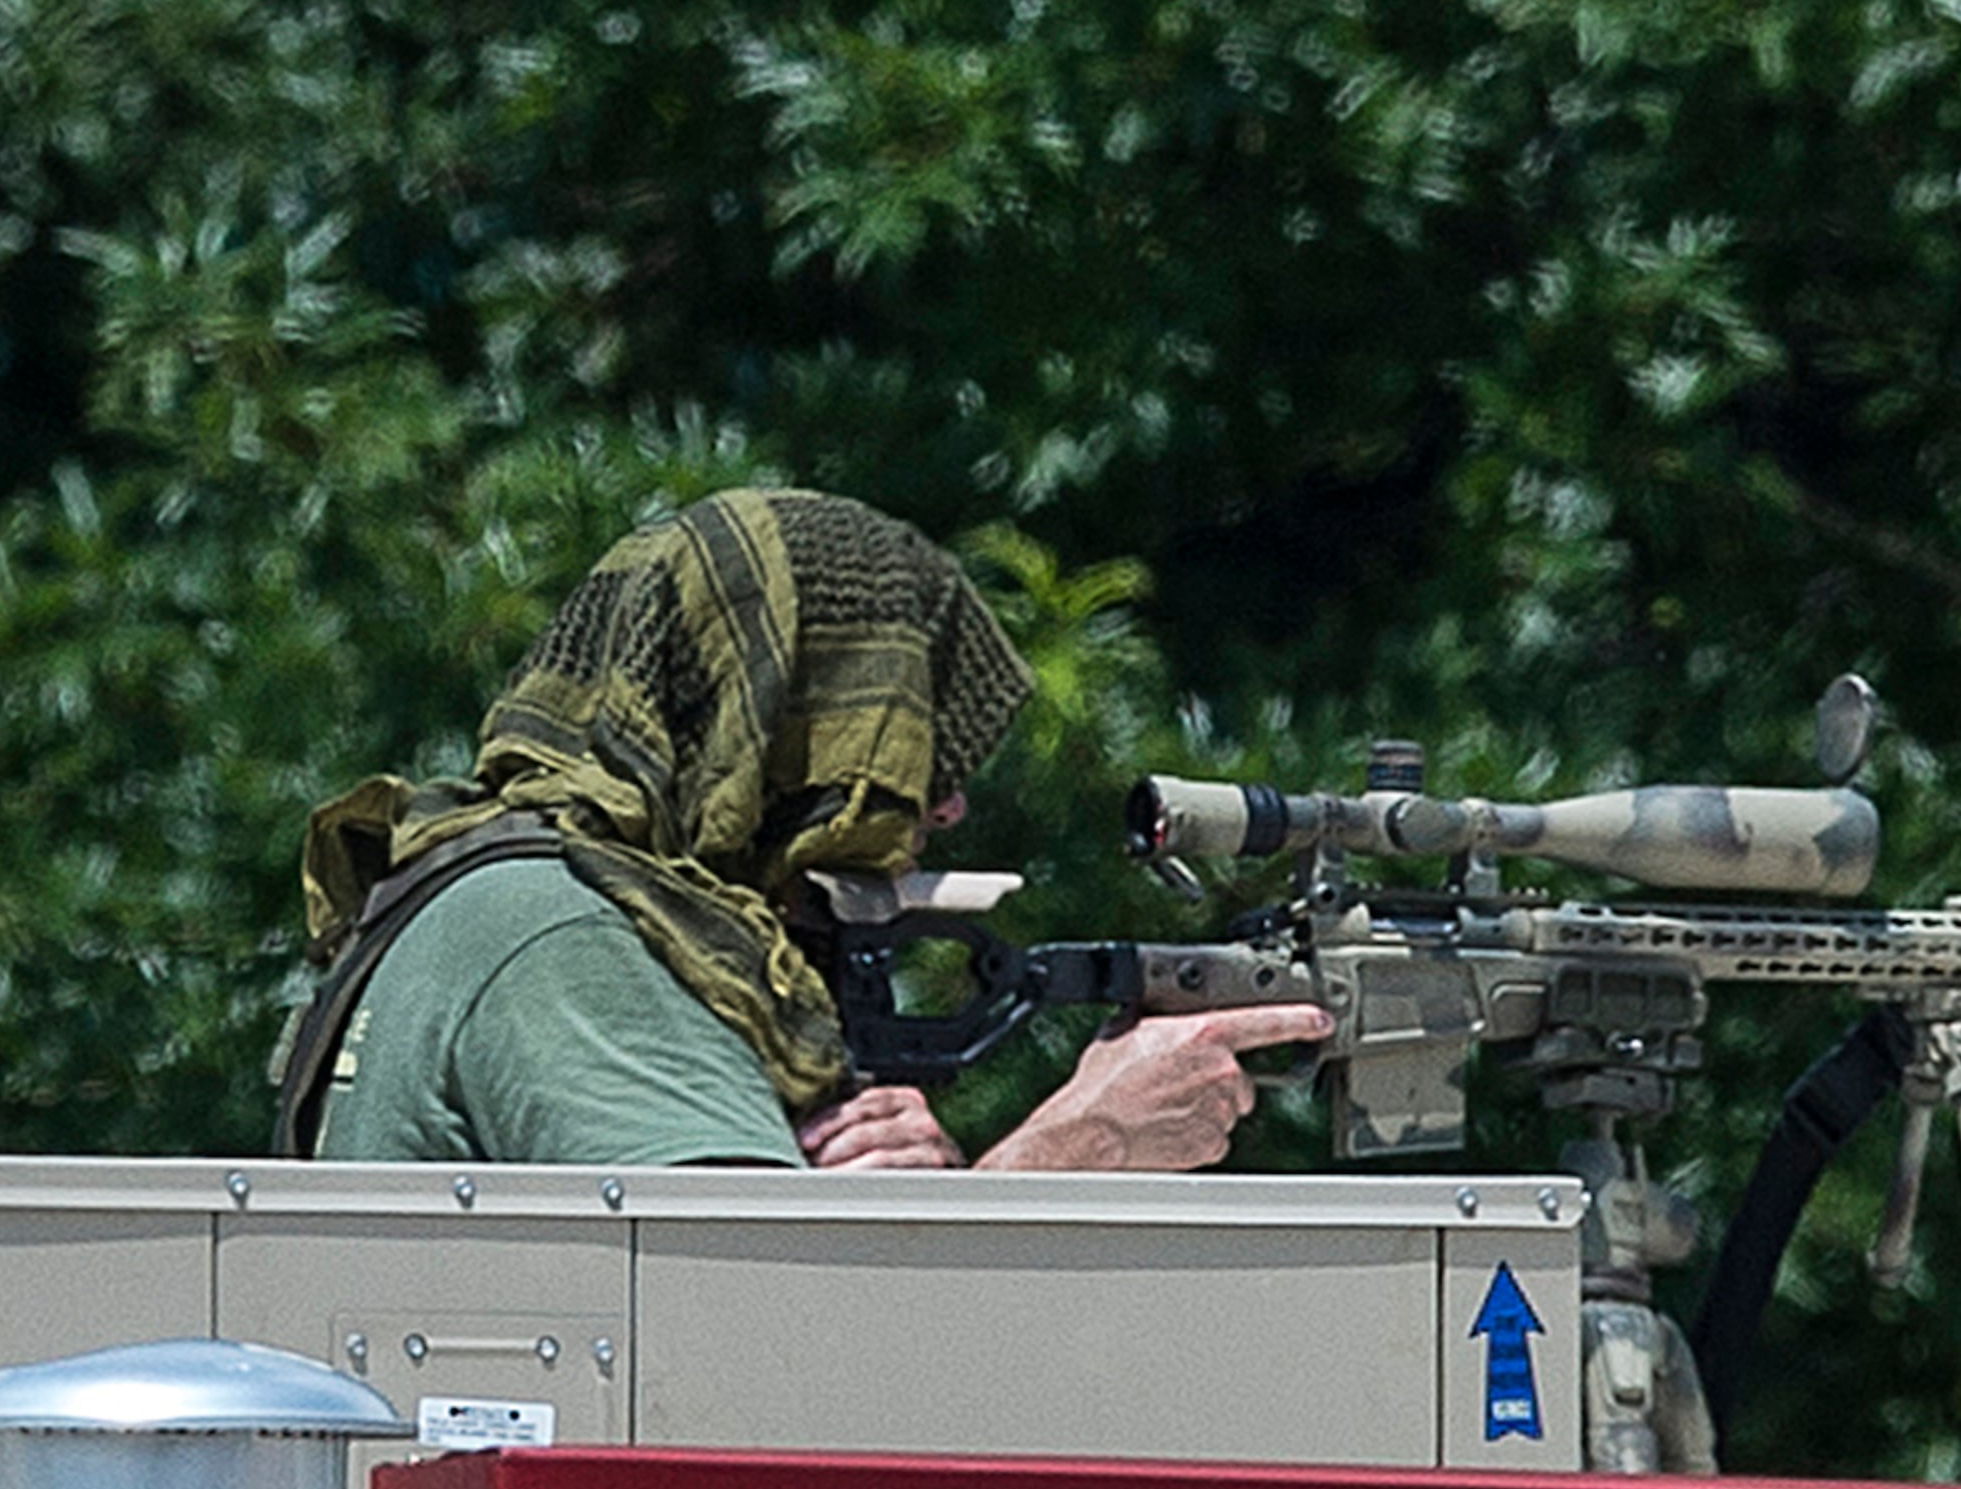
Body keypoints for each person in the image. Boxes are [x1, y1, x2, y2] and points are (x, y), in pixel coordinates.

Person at [276, 489, 1325, 1169]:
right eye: (905, 747)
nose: (946, 805)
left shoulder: (517, 890)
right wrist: (1080, 1143)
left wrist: (914, 1203)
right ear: (773, 725)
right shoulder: (574, 937)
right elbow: (771, 1337)